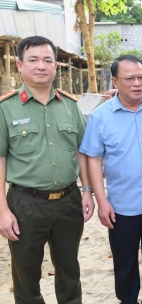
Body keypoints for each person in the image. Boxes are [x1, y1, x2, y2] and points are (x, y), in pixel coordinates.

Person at [0, 35, 94, 304]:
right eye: (33, 60)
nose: (41, 66)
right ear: (20, 65)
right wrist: (2, 211)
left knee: (69, 271)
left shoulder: (70, 106)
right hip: (25, 205)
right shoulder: (5, 108)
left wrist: (87, 191)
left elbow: (81, 152)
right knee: (26, 276)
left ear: (55, 66)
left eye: (47, 60)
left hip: (68, 202)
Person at [79, 55, 142, 304]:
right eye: (129, 78)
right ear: (114, 80)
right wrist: (101, 201)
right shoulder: (101, 117)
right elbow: (93, 159)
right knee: (125, 265)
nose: (137, 83)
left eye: (141, 77)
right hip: (122, 208)